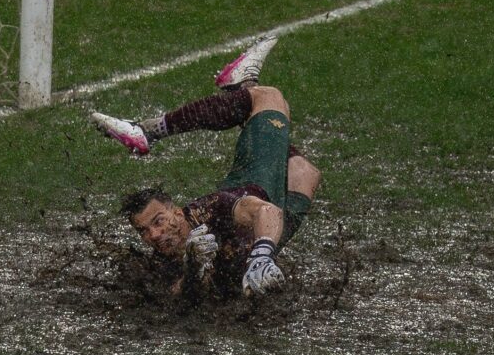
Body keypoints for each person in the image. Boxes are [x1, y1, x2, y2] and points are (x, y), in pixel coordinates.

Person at [90, 36, 321, 297]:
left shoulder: (212, 209)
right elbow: (179, 297)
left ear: (177, 212)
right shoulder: (160, 261)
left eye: (158, 221)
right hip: (255, 239)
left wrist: (262, 256)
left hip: (258, 181)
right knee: (304, 172)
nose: (154, 235)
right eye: (144, 231)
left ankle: (147, 131)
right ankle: (241, 87)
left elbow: (266, 213)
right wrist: (192, 268)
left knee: (268, 98)